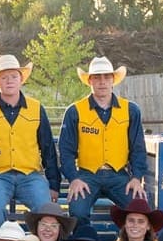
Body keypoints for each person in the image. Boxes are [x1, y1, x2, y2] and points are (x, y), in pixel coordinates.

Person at [0, 55, 60, 233]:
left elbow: (48, 148)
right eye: (4, 77)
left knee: (46, 211)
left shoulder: (36, 108)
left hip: (30, 176)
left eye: (13, 76)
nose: (9, 81)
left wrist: (53, 184)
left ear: (21, 80)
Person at [59, 56, 148, 220]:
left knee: (140, 210)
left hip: (120, 175)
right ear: (90, 81)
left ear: (113, 80)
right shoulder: (75, 111)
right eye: (97, 77)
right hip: (86, 176)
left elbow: (138, 148)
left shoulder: (131, 110)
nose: (102, 81)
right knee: (77, 211)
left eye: (107, 77)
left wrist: (136, 178)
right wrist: (74, 178)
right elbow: (66, 151)